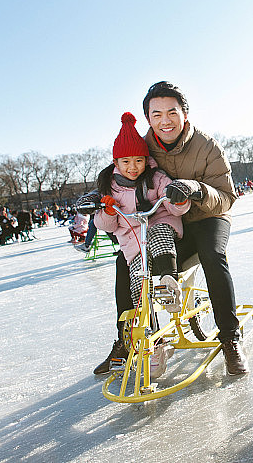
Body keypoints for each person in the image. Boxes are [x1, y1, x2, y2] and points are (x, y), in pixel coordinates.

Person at [97, 81, 249, 377]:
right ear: (148, 118)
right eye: (156, 115)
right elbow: (121, 176)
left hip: (207, 215)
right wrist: (99, 199)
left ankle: (230, 337)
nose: (165, 121)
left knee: (212, 253)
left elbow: (227, 197)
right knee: (124, 262)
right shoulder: (141, 146)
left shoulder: (207, 147)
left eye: (172, 112)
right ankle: (126, 340)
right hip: (165, 222)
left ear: (185, 114)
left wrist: (196, 189)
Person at [91, 112, 191, 376]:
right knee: (138, 287)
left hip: (159, 226)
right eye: (126, 162)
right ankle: (154, 341)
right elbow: (104, 225)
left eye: (138, 160)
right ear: (116, 163)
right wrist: (108, 212)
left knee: (159, 233)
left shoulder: (155, 178)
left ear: (146, 160)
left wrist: (178, 199)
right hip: (134, 243)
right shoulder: (110, 186)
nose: (133, 167)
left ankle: (169, 282)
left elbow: (174, 204)